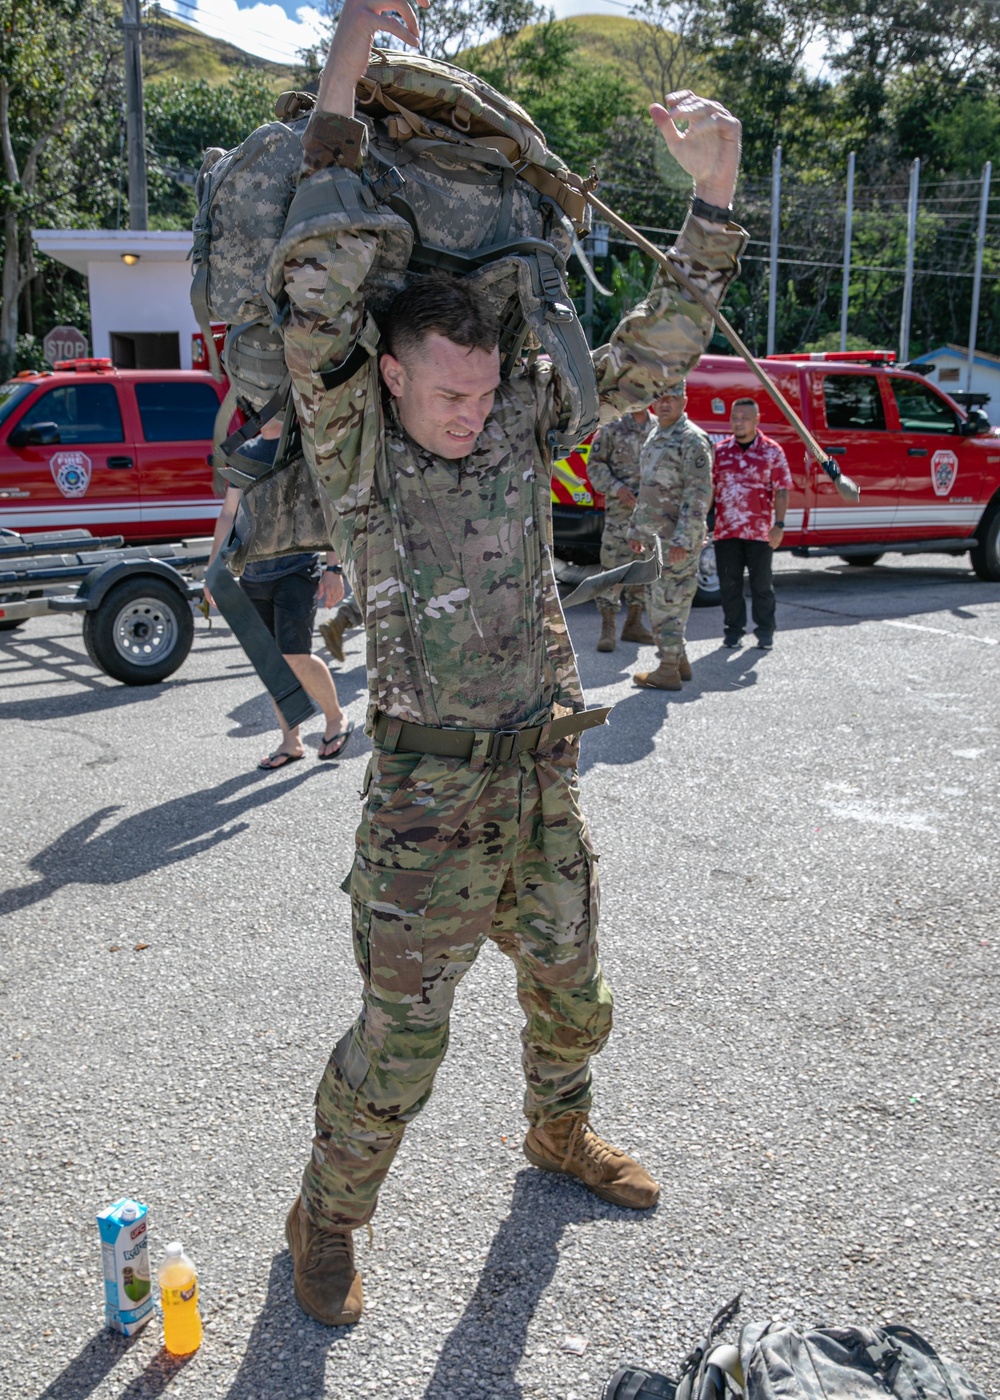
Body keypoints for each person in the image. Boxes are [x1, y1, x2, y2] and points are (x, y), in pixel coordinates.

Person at [278, 0, 746, 1328]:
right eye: (446, 395)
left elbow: (658, 343)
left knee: (573, 984)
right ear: (381, 373)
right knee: (402, 1044)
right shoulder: (351, 440)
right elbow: (319, 242)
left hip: (541, 759)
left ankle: (559, 1131)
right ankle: (326, 1217)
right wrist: (354, 45)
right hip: (427, 795)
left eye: (484, 394)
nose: (469, 415)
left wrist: (713, 200)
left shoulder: (512, 423)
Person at [206, 428, 355, 769]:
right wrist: (214, 571)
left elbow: (328, 508)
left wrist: (335, 569)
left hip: (297, 570)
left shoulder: (304, 447)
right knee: (272, 663)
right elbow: (229, 514)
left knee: (295, 656)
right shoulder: (246, 452)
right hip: (254, 573)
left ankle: (336, 719)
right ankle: (292, 742)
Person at [627, 380, 714, 690]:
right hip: (654, 538)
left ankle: (667, 670)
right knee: (660, 602)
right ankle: (679, 661)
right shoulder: (655, 436)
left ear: (684, 400)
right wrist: (636, 529)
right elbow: (647, 489)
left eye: (672, 398)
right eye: (659, 397)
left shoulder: (691, 440)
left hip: (676, 540)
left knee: (668, 604)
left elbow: (699, 495)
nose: (664, 403)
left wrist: (683, 540)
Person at [712, 397, 792, 650]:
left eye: (744, 418)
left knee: (761, 586)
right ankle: (733, 632)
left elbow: (781, 491)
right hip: (726, 531)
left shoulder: (772, 451)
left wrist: (779, 525)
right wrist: (704, 521)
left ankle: (765, 632)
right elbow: (709, 491)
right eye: (734, 418)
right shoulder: (720, 451)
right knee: (729, 585)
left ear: (757, 420)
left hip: (759, 532)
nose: (738, 422)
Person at [586, 408, 655, 652]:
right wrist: (617, 488)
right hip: (619, 516)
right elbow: (595, 465)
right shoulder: (612, 428)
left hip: (649, 516)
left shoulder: (659, 428)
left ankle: (634, 624)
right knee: (612, 569)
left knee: (645, 568)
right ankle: (608, 628)